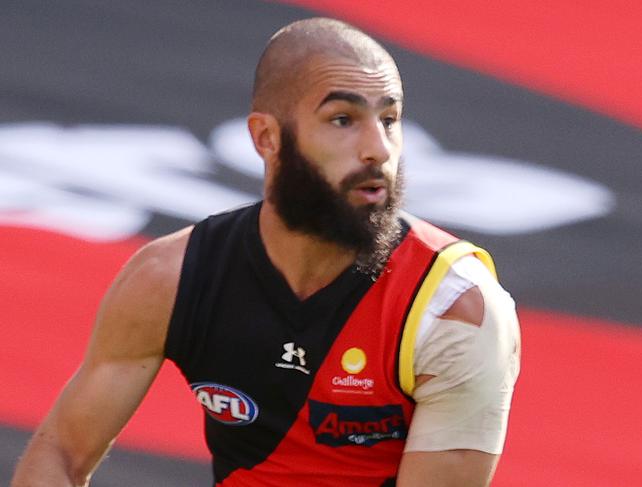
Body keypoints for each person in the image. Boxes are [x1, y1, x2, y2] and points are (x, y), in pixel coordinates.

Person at [11, 17, 520, 487]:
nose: (379, 149)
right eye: (343, 119)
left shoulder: (455, 309)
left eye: (389, 119)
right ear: (266, 138)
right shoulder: (172, 276)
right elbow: (59, 455)